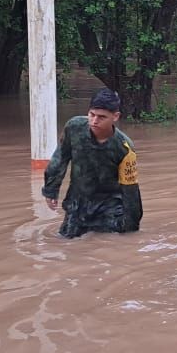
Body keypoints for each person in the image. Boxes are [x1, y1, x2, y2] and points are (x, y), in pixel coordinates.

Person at [42, 88, 143, 239]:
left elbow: (131, 190)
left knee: (109, 245)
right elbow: (60, 158)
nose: (94, 121)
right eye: (92, 114)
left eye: (102, 117)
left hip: (110, 206)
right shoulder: (74, 128)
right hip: (78, 202)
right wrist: (51, 189)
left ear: (115, 116)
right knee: (65, 242)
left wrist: (132, 228)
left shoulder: (124, 148)